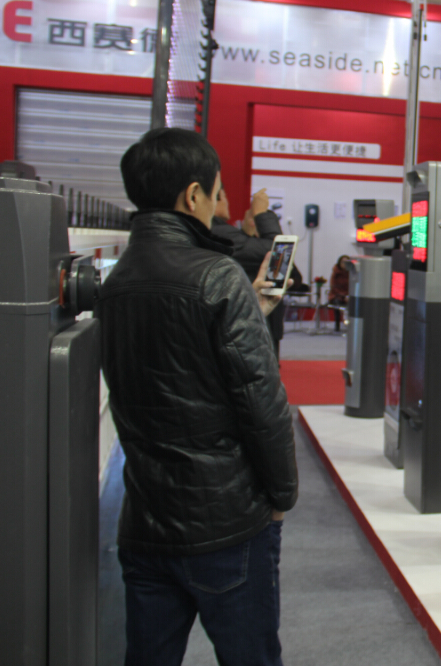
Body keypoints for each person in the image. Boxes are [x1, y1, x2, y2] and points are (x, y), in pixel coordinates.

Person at [95, 128, 298, 666]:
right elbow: (263, 404)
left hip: (145, 519)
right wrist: (282, 496)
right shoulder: (217, 277)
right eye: (215, 192)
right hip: (225, 520)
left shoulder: (113, 282)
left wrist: (248, 308)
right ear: (192, 196)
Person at [212, 185, 289, 358]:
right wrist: (262, 214)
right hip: (246, 321)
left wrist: (247, 235)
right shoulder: (218, 231)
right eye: (224, 197)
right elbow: (280, 252)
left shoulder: (227, 235)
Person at [328, 254, 352, 331]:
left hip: (349, 295)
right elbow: (334, 287)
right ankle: (337, 325)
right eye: (343, 262)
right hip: (336, 295)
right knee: (337, 302)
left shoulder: (351, 273)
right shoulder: (336, 273)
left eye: (346, 262)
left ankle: (352, 325)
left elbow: (353, 286)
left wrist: (348, 296)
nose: (344, 264)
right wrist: (343, 296)